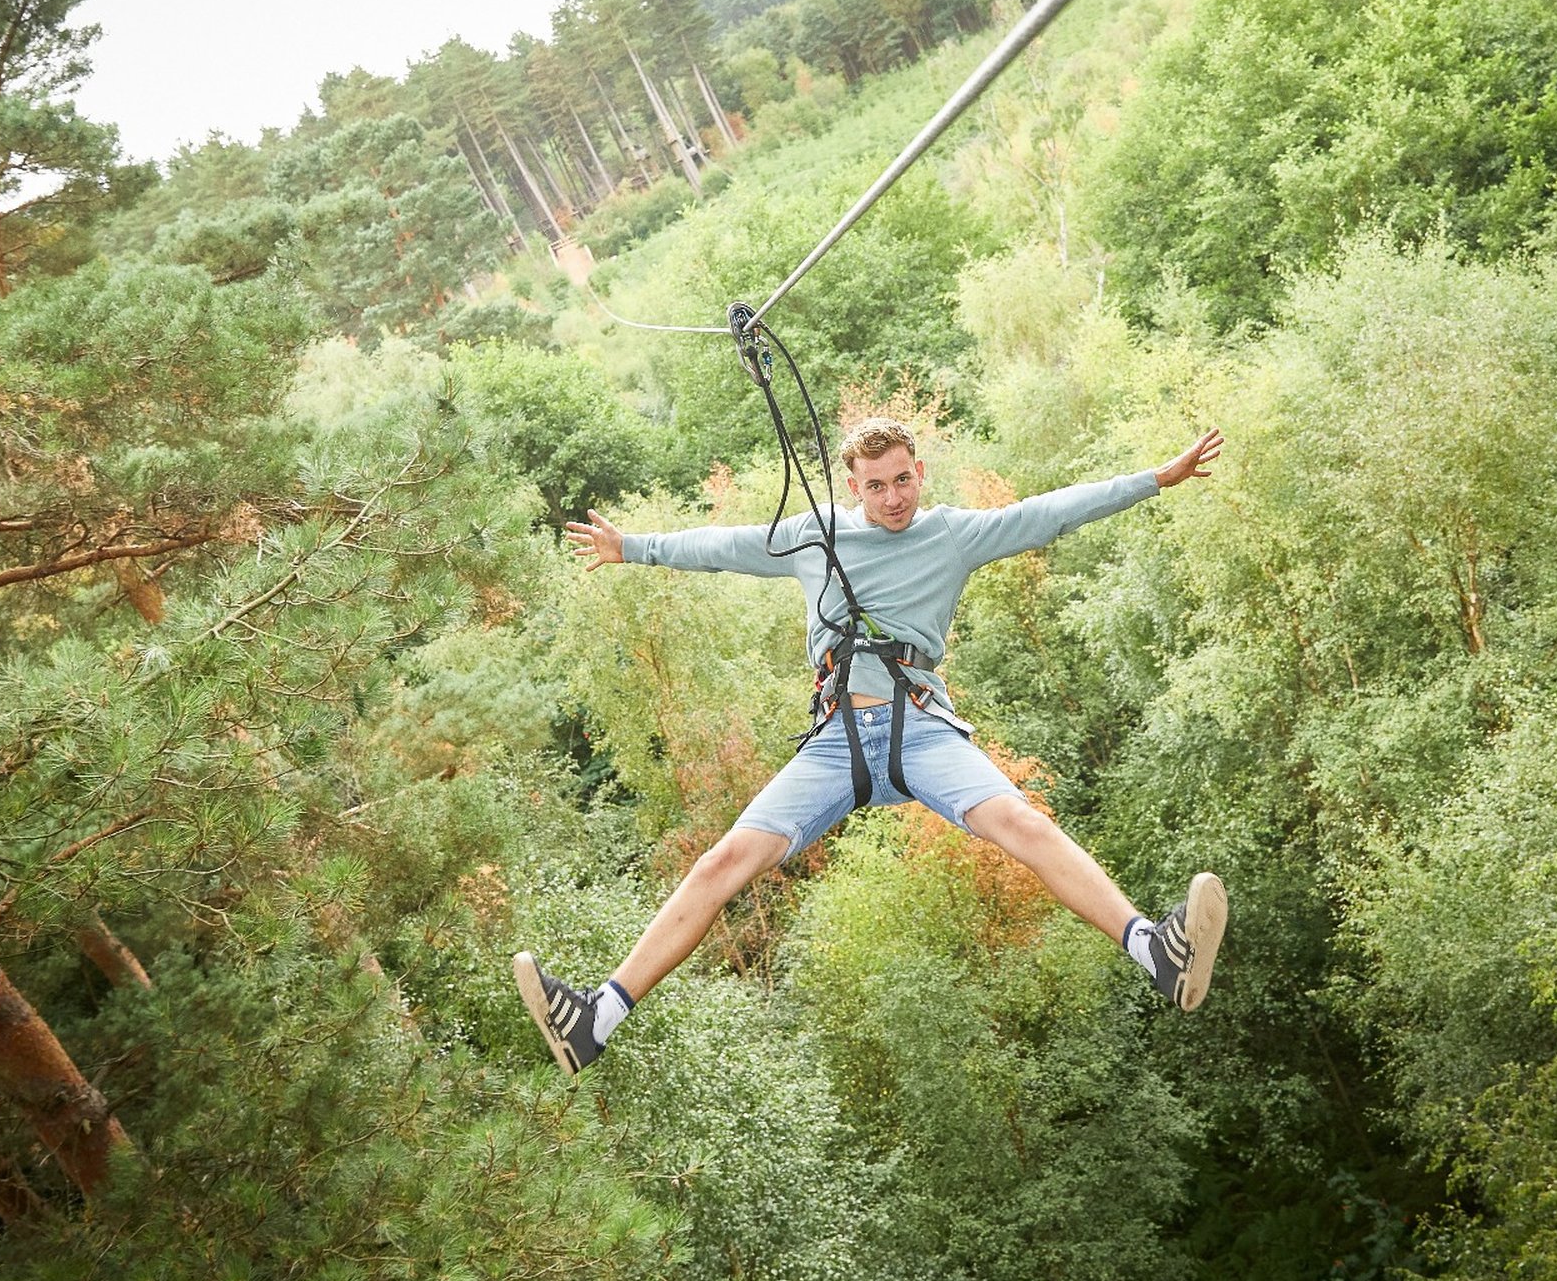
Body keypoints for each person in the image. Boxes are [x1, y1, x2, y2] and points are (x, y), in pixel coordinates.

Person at [514, 417, 1230, 1076]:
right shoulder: (814, 536)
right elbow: (722, 547)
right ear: (855, 488)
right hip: (836, 742)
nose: (893, 498)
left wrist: (1154, 480)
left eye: (903, 480)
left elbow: (1047, 514)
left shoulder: (951, 535)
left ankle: (1156, 953)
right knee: (724, 861)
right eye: (877, 485)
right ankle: (595, 1020)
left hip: (920, 729)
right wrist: (630, 548)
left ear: (921, 472)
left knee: (1022, 823)